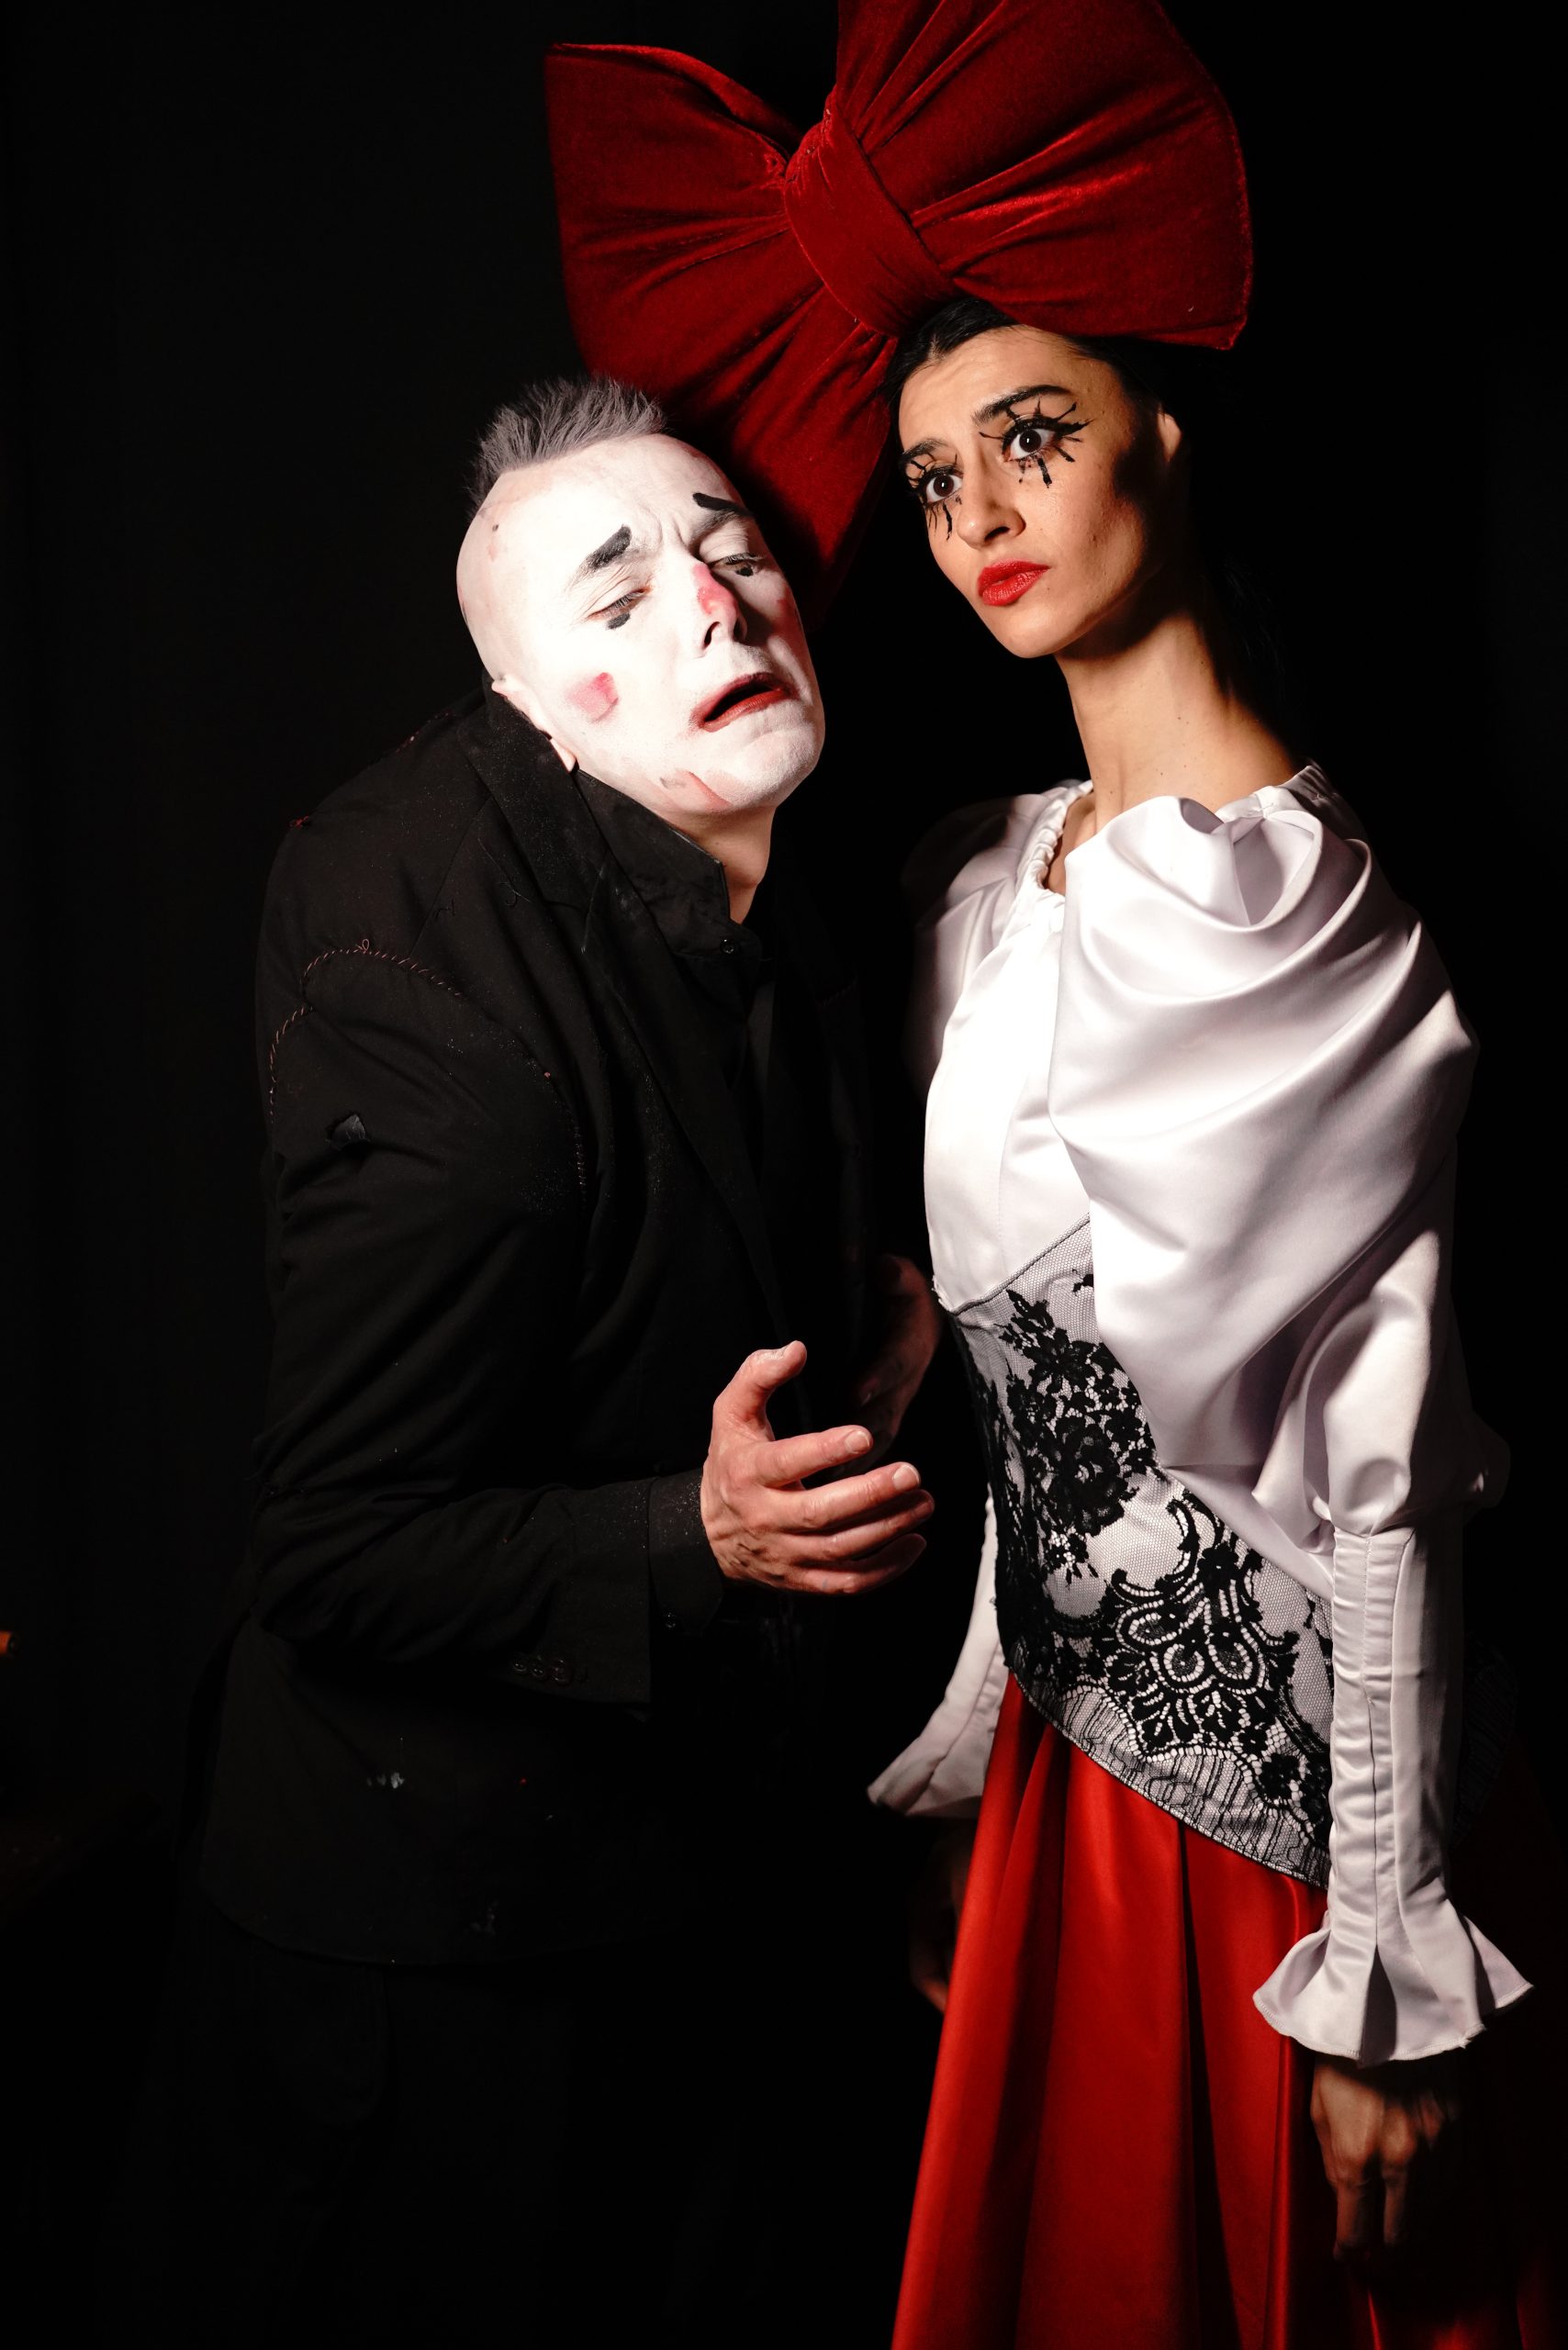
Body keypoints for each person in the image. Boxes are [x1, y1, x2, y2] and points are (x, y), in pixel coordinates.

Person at [543, 6, 1568, 2342]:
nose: (980, 514)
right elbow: (1028, 1394)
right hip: (1065, 1791)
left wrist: (1378, 1974)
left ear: (1162, 439)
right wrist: (977, 1755)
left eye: (1032, 437)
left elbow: (1377, 1485)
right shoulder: (995, 876)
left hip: (1292, 1842)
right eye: (932, 478)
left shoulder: (1277, 911)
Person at [158, 376, 941, 2347]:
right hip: (435, 1965)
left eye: (731, 551)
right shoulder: (434, 977)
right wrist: (701, 1531)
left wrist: (860, 1342)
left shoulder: (777, 848)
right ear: (528, 712)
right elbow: (335, 1548)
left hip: (716, 1898)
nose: (714, 604)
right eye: (620, 597)